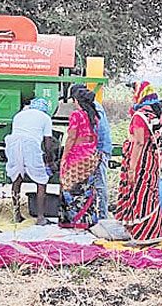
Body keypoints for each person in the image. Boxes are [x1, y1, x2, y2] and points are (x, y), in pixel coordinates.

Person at [115, 81, 162, 242]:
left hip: (140, 162)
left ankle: (142, 235)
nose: (132, 96)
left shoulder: (139, 116)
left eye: (134, 92)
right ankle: (154, 232)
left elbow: (139, 142)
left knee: (138, 194)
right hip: (151, 162)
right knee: (149, 194)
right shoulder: (154, 115)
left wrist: (132, 168)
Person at [5, 98, 55, 225]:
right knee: (41, 181)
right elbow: (48, 143)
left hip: (13, 144)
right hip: (31, 145)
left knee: (17, 177)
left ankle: (16, 214)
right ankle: (40, 218)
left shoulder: (19, 115)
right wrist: (49, 161)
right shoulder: (45, 118)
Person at [58, 87, 101, 229]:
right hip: (91, 155)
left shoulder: (76, 115)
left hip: (77, 156)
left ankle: (72, 220)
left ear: (76, 101)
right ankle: (87, 219)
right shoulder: (94, 115)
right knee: (87, 188)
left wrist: (64, 158)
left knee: (69, 186)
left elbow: (71, 137)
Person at [70, 84, 112, 219]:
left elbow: (99, 131)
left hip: (99, 151)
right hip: (94, 151)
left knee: (99, 183)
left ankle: (103, 217)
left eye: (74, 101)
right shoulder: (92, 107)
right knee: (91, 184)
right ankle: (91, 216)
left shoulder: (94, 109)